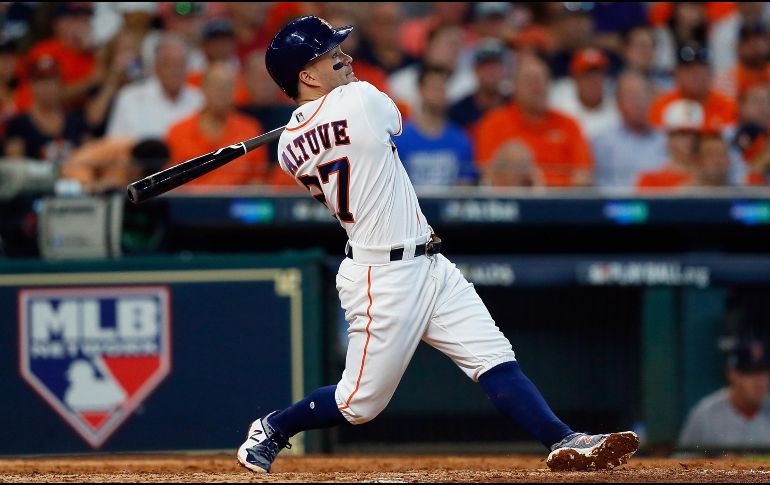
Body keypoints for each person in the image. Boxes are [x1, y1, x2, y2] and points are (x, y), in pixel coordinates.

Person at [236, 15, 640, 475]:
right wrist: (331, 107)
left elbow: (329, 131)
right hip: (382, 278)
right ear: (307, 76)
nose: (346, 59)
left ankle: (563, 439)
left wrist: (312, 114)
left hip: (429, 262)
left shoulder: (287, 147)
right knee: (358, 403)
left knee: (493, 357)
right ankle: (274, 427)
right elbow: (390, 123)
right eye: (333, 56)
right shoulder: (362, 98)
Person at [474, 53, 594, 187]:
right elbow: (488, 175)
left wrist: (542, 185)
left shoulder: (569, 125)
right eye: (530, 81)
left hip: (561, 198)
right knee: (514, 152)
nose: (537, 87)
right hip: (515, 197)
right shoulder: (493, 124)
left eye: (542, 80)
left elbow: (583, 176)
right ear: (514, 85)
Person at [165, 62, 268, 187]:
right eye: (216, 87)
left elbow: (258, 180)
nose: (221, 93)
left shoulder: (250, 130)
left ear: (235, 91)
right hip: (191, 198)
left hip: (236, 198)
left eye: (227, 87)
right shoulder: (177, 132)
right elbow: (169, 182)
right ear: (203, 88)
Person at [677, 338, 770, 451]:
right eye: (751, 373)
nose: (760, 381)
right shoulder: (705, 415)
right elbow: (683, 459)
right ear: (732, 375)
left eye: (764, 372)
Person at [106, 33, 203, 139]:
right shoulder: (130, 98)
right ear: (156, 66)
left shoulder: (199, 99)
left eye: (180, 64)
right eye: (168, 64)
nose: (174, 70)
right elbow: (115, 143)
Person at [394, 65, 477, 188]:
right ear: (421, 90)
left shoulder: (460, 139)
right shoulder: (401, 139)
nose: (439, 94)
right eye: (434, 88)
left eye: (443, 88)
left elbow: (465, 186)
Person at [591, 71, 668, 189]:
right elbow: (597, 186)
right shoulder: (603, 142)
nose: (638, 102)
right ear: (618, 102)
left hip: (659, 199)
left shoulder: (666, 140)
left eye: (643, 94)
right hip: (616, 200)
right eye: (631, 96)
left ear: (653, 98)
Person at [549, 47, 619, 138]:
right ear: (575, 79)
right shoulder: (560, 104)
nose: (593, 81)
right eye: (587, 76)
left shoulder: (617, 106)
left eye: (598, 75)